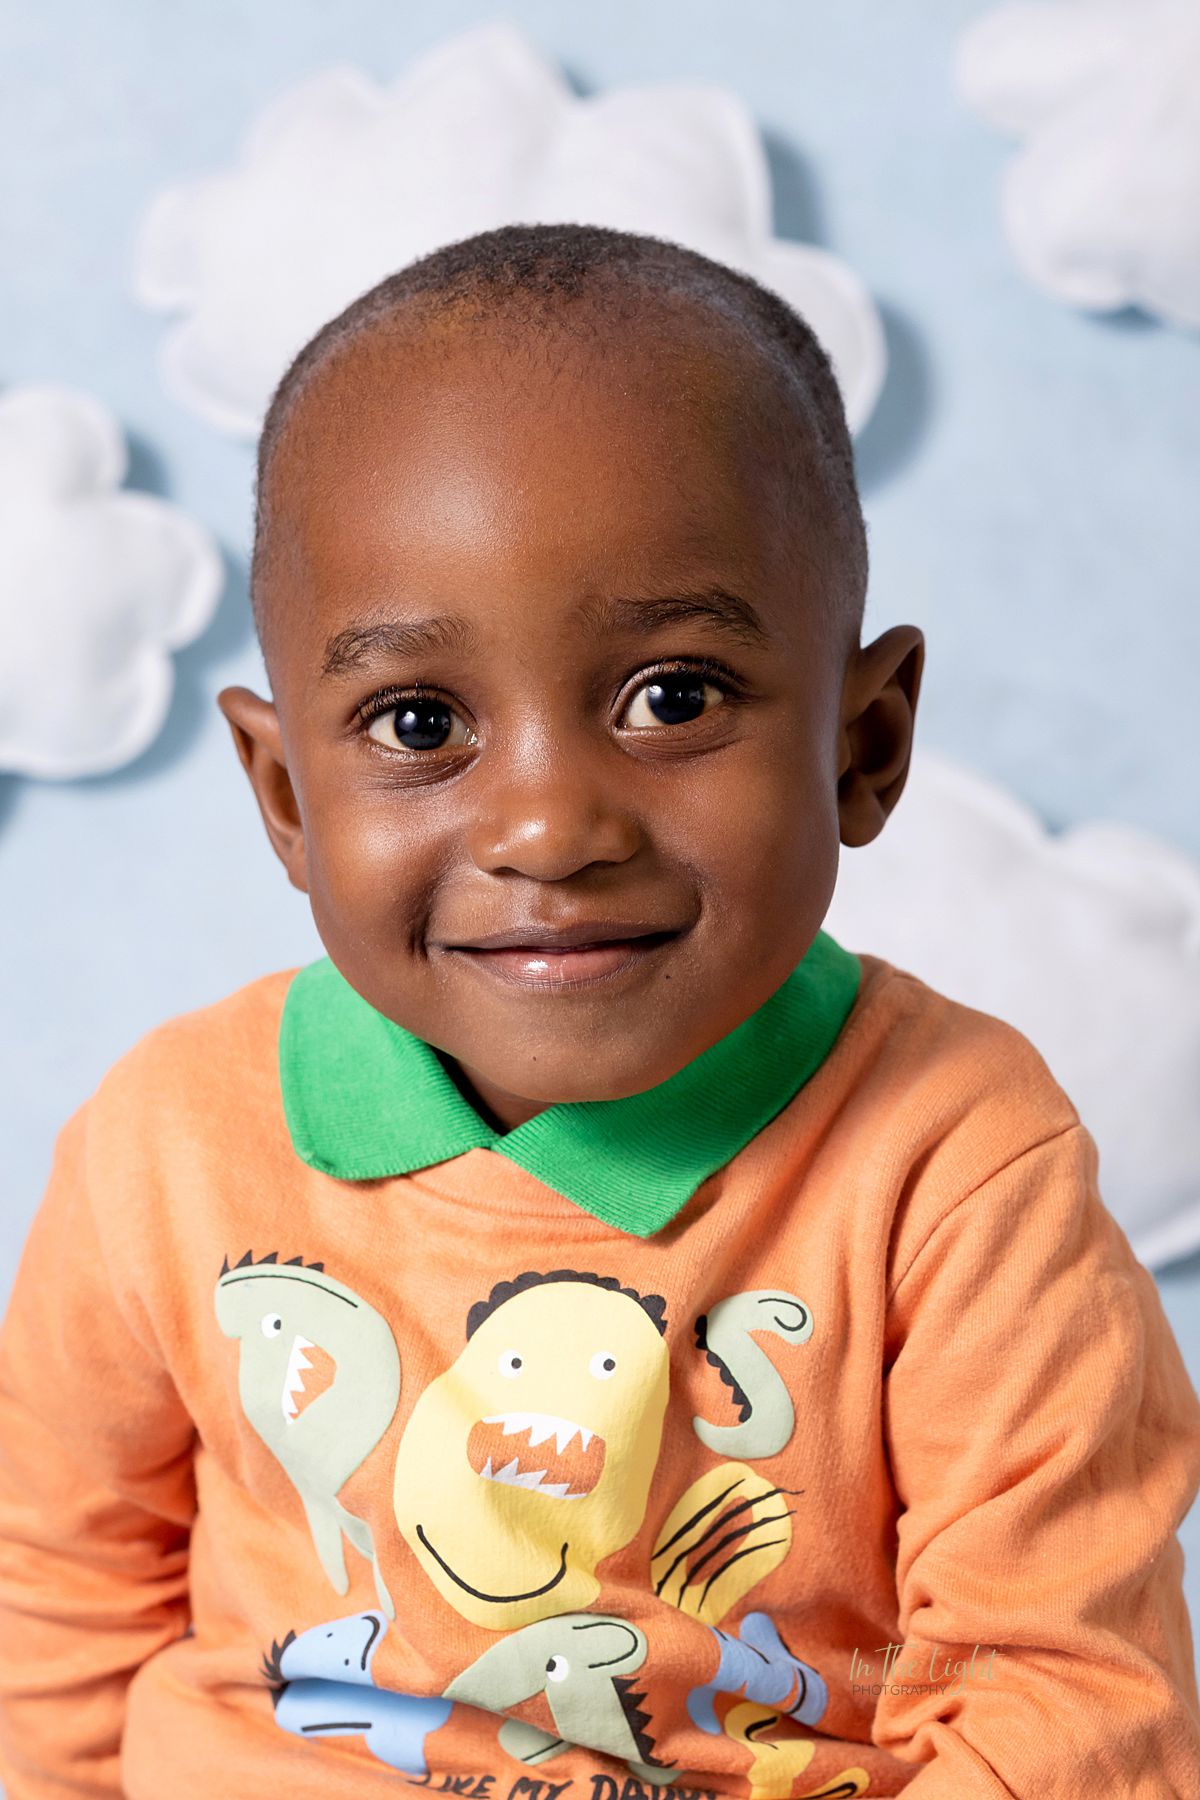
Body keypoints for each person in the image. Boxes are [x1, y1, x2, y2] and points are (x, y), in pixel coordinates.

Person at [1, 223, 1197, 1800]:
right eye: (420, 723)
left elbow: (1067, 1704)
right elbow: (57, 1606)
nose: (552, 826)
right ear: (286, 799)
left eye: (674, 695)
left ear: (867, 745)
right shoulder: (165, 1142)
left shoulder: (956, 1164)